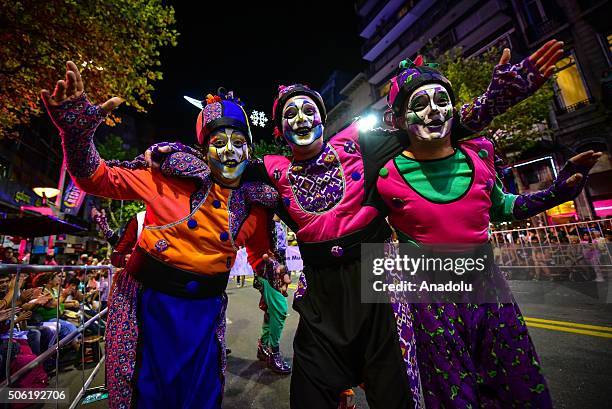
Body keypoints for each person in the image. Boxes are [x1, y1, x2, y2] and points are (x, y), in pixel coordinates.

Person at [147, 40, 566, 408]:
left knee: (398, 393)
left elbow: (431, 127)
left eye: (308, 109)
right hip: (323, 293)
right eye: (289, 114)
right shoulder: (271, 169)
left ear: (321, 118)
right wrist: (168, 154)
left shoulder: (360, 142)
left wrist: (498, 96)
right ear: (279, 129)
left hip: (378, 280)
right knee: (309, 394)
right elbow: (223, 162)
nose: (299, 118)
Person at [41, 62, 285, 409]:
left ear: (249, 152)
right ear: (204, 150)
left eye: (238, 143)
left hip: (205, 315)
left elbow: (261, 254)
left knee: (201, 398)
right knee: (147, 397)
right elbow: (96, 178)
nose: (229, 150)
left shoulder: (253, 204)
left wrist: (273, 268)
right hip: (150, 310)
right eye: (219, 142)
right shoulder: (167, 178)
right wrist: (77, 134)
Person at [376, 53, 601, 408]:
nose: (434, 110)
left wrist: (557, 193)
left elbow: (504, 207)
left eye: (442, 100)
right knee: (453, 396)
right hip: (431, 300)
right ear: (401, 119)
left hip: (489, 289)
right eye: (420, 103)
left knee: (516, 386)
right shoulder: (385, 173)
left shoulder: (480, 154)